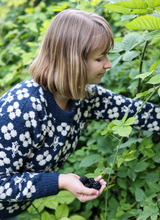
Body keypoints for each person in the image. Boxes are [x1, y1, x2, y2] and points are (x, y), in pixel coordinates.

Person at [0, 9, 160, 220]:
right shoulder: (23, 108)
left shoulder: (83, 97)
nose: (108, 64)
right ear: (73, 61)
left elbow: (143, 114)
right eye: (99, 58)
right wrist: (61, 181)